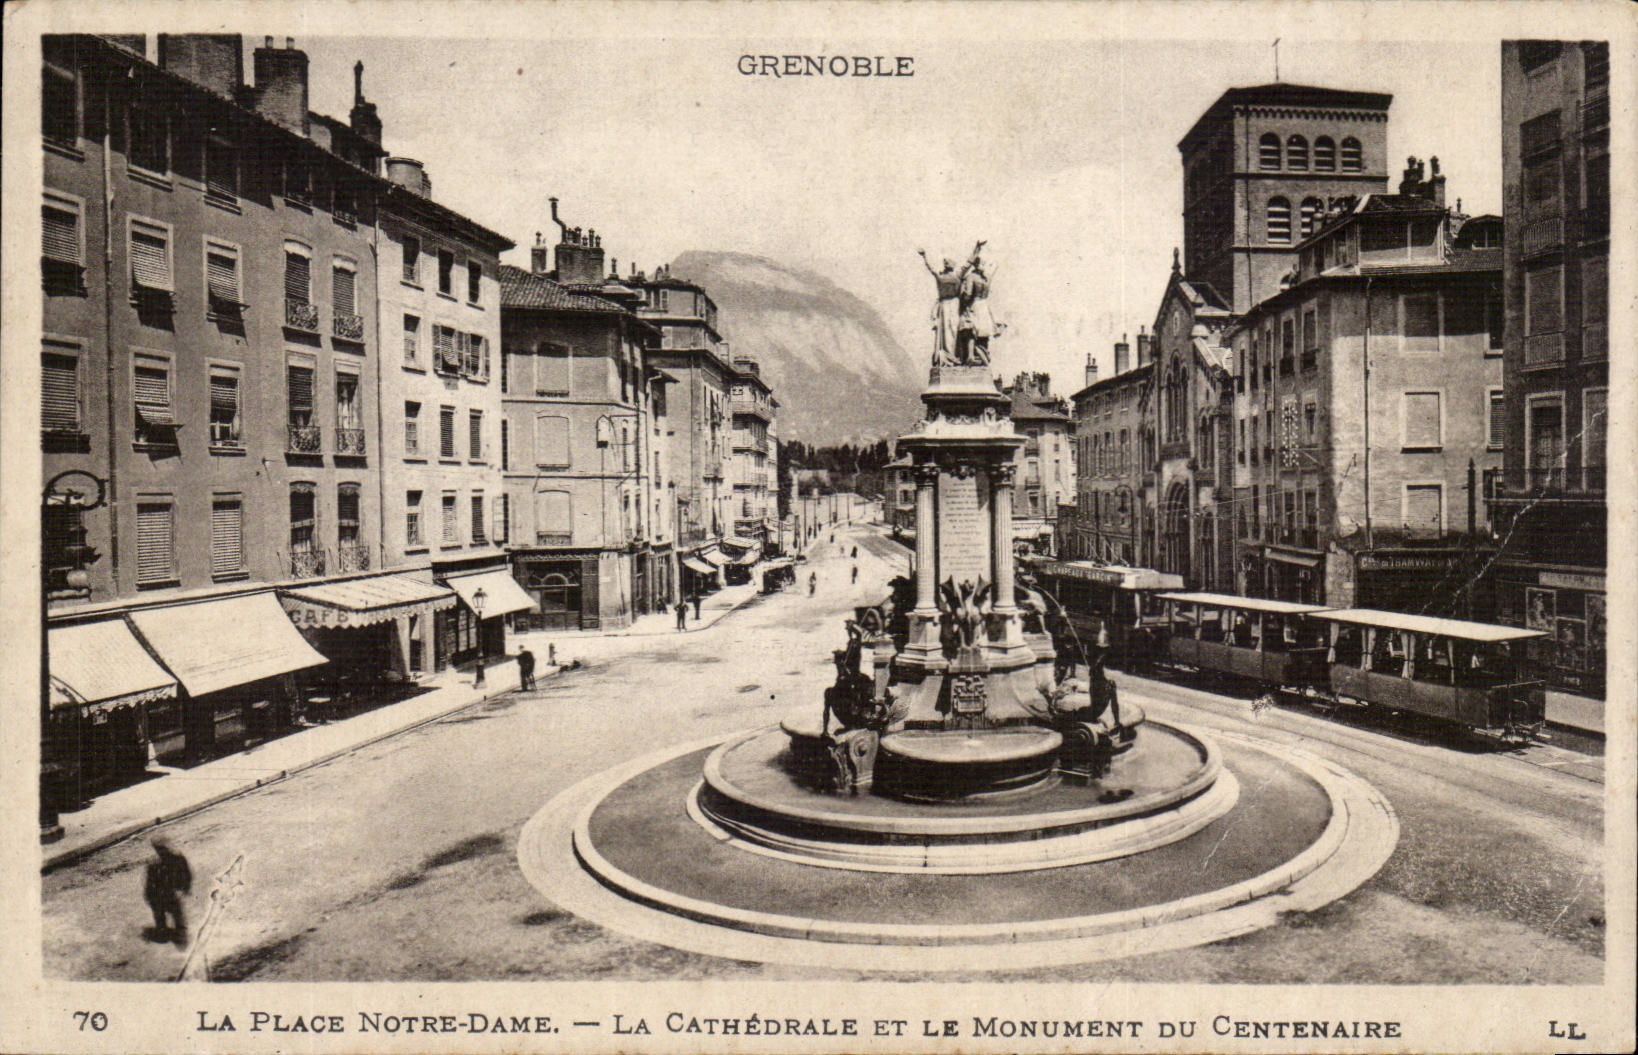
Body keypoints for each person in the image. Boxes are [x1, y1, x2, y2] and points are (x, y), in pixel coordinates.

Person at [143, 836, 192, 945]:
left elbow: (186, 874)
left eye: (163, 849)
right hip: (160, 894)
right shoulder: (154, 864)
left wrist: (185, 887)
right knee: (161, 913)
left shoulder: (177, 859)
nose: (161, 852)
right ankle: (164, 932)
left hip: (171, 892)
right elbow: (150, 882)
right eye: (158, 849)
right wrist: (149, 895)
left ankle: (179, 934)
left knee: (176, 913)